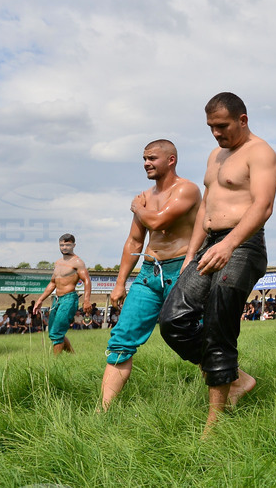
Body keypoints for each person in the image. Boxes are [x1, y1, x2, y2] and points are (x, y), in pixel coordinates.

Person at [158, 92, 276, 436]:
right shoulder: (215, 155)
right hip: (210, 245)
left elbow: (263, 206)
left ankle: (214, 424)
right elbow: (205, 209)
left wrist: (230, 243)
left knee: (217, 326)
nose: (216, 133)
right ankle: (236, 378)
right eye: (211, 126)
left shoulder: (261, 153)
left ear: (242, 119)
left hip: (243, 245)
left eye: (222, 126)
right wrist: (189, 256)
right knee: (173, 321)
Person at [99, 140, 201, 411]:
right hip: (148, 273)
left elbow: (159, 221)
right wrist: (120, 283)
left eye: (152, 158)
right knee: (122, 336)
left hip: (181, 270)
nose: (146, 163)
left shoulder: (187, 190)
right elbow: (133, 242)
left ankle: (229, 383)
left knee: (195, 332)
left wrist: (137, 209)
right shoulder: (145, 197)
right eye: (144, 158)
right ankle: (103, 409)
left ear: (171, 160)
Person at [32, 235, 91, 355]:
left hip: (69, 298)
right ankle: (73, 356)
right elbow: (52, 283)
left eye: (68, 245)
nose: (64, 247)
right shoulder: (58, 263)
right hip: (57, 299)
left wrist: (86, 300)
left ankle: (55, 364)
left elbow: (86, 280)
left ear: (73, 245)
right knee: (53, 332)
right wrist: (40, 300)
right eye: (62, 245)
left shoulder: (77, 262)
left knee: (56, 333)